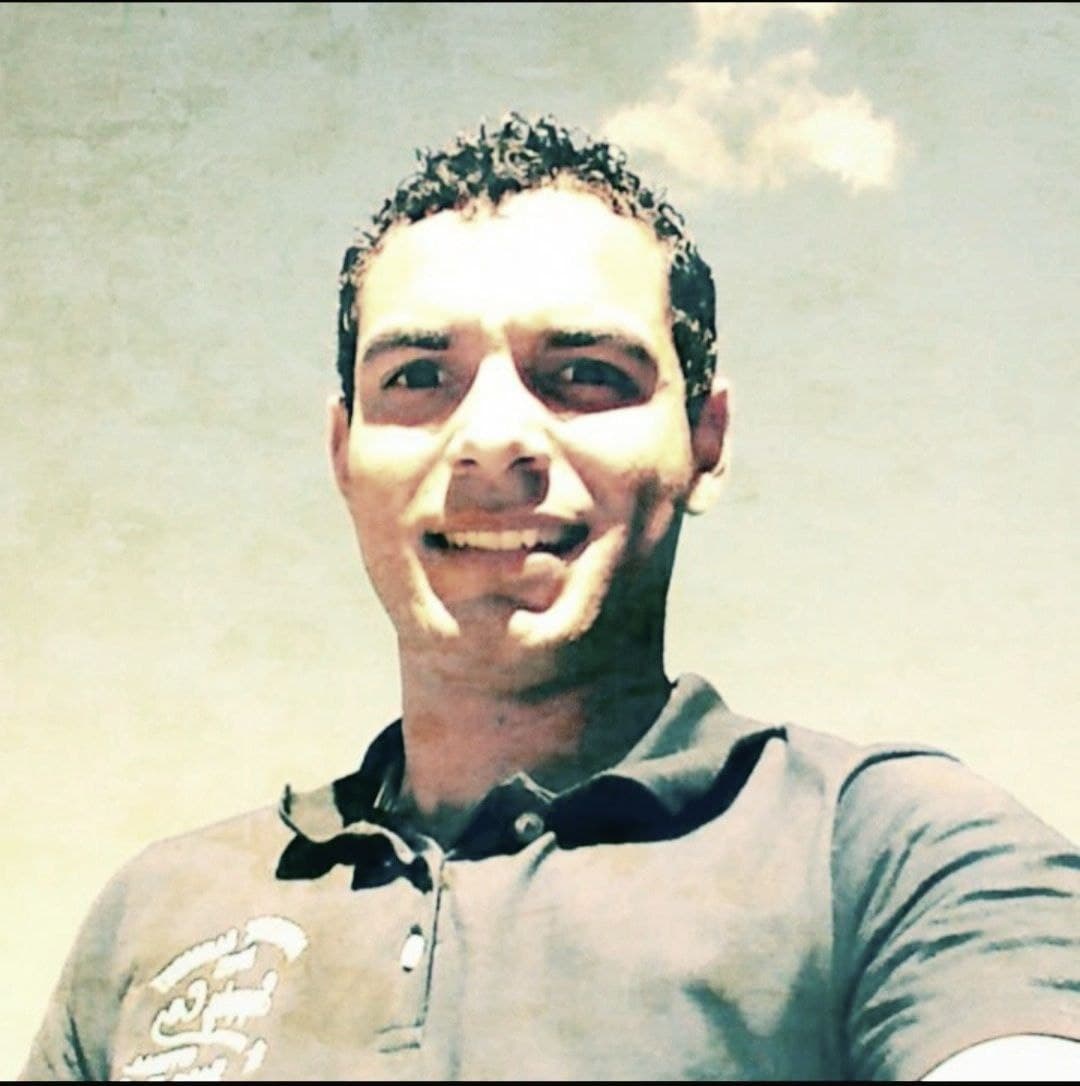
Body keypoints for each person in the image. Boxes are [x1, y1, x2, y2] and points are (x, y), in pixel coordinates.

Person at [23, 114, 1078, 1082]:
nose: (492, 439)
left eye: (583, 373)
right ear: (343, 452)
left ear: (706, 440)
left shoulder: (894, 858)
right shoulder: (156, 916)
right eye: (418, 377)